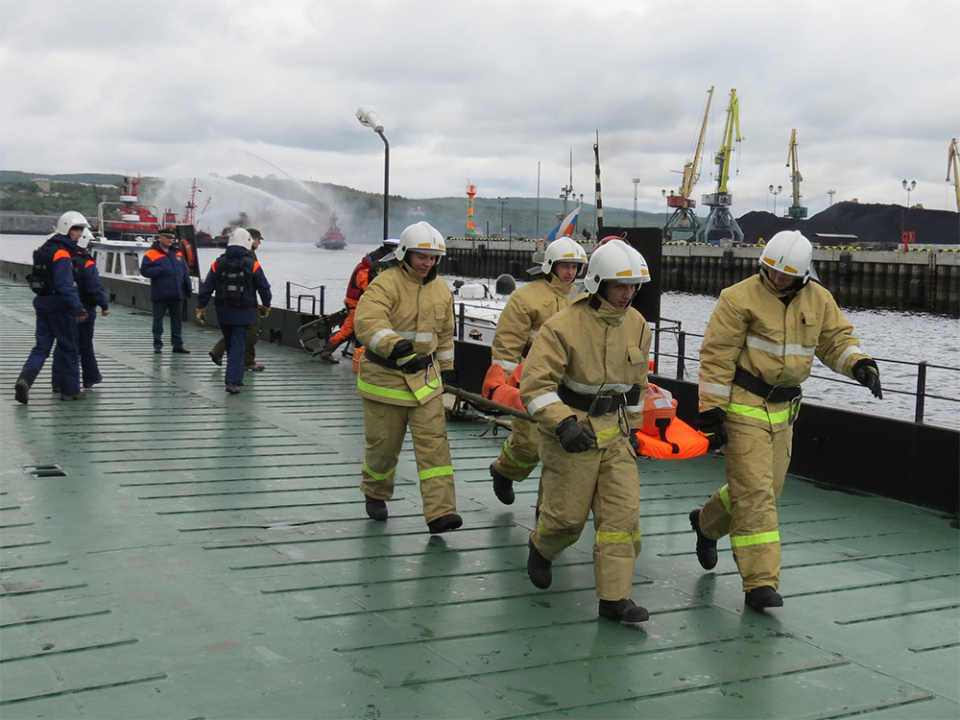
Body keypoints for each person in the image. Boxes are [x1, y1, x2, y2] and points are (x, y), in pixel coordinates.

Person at [689, 230, 883, 610]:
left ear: (803, 274)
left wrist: (860, 364)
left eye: (785, 275)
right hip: (744, 408)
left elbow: (835, 341)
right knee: (757, 497)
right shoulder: (737, 298)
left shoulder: (819, 299)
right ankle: (760, 583)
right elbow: (716, 357)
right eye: (771, 272)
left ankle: (705, 523)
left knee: (763, 491)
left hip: (784, 412)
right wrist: (711, 410)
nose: (776, 280)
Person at [520, 240, 653, 625]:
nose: (627, 295)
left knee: (622, 519)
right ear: (598, 284)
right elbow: (536, 386)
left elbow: (637, 384)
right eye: (619, 286)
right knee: (566, 520)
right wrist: (562, 423)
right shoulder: (562, 326)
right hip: (572, 431)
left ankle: (615, 599)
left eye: (632, 287)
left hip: (615, 434)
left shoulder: (638, 325)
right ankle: (542, 547)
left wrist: (634, 431)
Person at [353, 221, 461, 534]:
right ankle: (375, 492)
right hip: (385, 382)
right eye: (421, 257)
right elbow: (367, 322)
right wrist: (395, 346)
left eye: (433, 258)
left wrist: (448, 369)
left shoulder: (441, 289)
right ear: (404, 254)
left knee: (435, 447)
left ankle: (441, 512)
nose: (428, 263)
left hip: (426, 382)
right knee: (383, 447)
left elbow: (444, 334)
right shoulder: (385, 284)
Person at [487, 236, 588, 505]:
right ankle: (503, 471)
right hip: (531, 382)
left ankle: (547, 512)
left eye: (575, 266)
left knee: (563, 450)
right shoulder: (525, 298)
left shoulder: (587, 298)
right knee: (529, 444)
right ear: (550, 266)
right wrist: (505, 388)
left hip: (571, 386)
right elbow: (507, 345)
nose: (570, 272)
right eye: (564, 266)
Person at [15, 211, 90, 403]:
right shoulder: (63, 253)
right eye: (76, 229)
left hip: (42, 302)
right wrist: (78, 306)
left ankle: (25, 380)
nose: (80, 234)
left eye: (81, 230)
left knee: (41, 348)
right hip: (60, 306)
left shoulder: (45, 249)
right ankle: (71, 390)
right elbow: (65, 284)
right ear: (67, 229)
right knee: (69, 348)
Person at [196, 228, 272, 394]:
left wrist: (201, 307)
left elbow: (207, 287)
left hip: (222, 311)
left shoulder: (218, 263)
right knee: (238, 344)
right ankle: (232, 381)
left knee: (231, 343)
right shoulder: (252, 264)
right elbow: (264, 287)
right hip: (244, 312)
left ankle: (236, 377)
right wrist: (266, 306)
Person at [319, 237, 399, 364]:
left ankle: (357, 351)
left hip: (357, 303)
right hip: (355, 304)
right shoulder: (364, 271)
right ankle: (327, 352)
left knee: (355, 329)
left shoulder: (365, 267)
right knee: (348, 329)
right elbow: (370, 290)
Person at [209, 228, 269, 371]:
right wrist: (266, 304)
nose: (259, 242)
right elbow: (259, 282)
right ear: (251, 239)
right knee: (251, 333)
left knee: (235, 332)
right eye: (258, 239)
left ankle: (218, 351)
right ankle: (247, 361)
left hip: (227, 301)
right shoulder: (249, 256)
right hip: (246, 302)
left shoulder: (226, 258)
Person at [68, 228, 110, 389]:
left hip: (66, 306)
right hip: (85, 308)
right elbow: (94, 287)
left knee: (66, 344)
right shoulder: (87, 262)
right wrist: (104, 305)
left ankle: (58, 381)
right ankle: (90, 376)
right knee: (85, 343)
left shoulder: (66, 258)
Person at [140, 227, 193, 353]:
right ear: (161, 237)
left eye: (172, 238)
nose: (170, 240)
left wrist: (187, 287)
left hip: (177, 293)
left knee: (177, 321)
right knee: (158, 320)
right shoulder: (151, 254)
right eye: (168, 238)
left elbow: (184, 272)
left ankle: (177, 345)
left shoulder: (178, 253)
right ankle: (157, 345)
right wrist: (158, 270)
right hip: (161, 294)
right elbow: (144, 271)